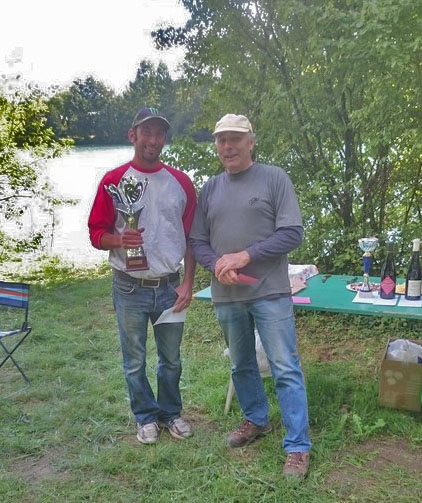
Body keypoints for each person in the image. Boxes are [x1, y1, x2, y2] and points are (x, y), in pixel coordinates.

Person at [189, 114, 311, 477]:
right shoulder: (210, 188)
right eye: (221, 140)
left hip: (270, 291)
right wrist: (217, 264)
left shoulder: (275, 178)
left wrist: (245, 256)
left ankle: (298, 446)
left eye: (235, 139)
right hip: (226, 294)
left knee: (285, 367)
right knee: (241, 364)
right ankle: (256, 419)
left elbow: (292, 233)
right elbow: (197, 240)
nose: (228, 147)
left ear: (251, 141)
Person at [88, 107, 196, 444]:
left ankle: (170, 413)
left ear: (164, 138)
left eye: (159, 133)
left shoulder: (181, 182)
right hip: (129, 287)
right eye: (146, 132)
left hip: (169, 285)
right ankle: (145, 417)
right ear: (132, 135)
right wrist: (120, 240)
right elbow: (95, 233)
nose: (153, 139)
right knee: (134, 360)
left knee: (172, 360)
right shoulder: (113, 181)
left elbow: (194, 237)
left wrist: (188, 282)